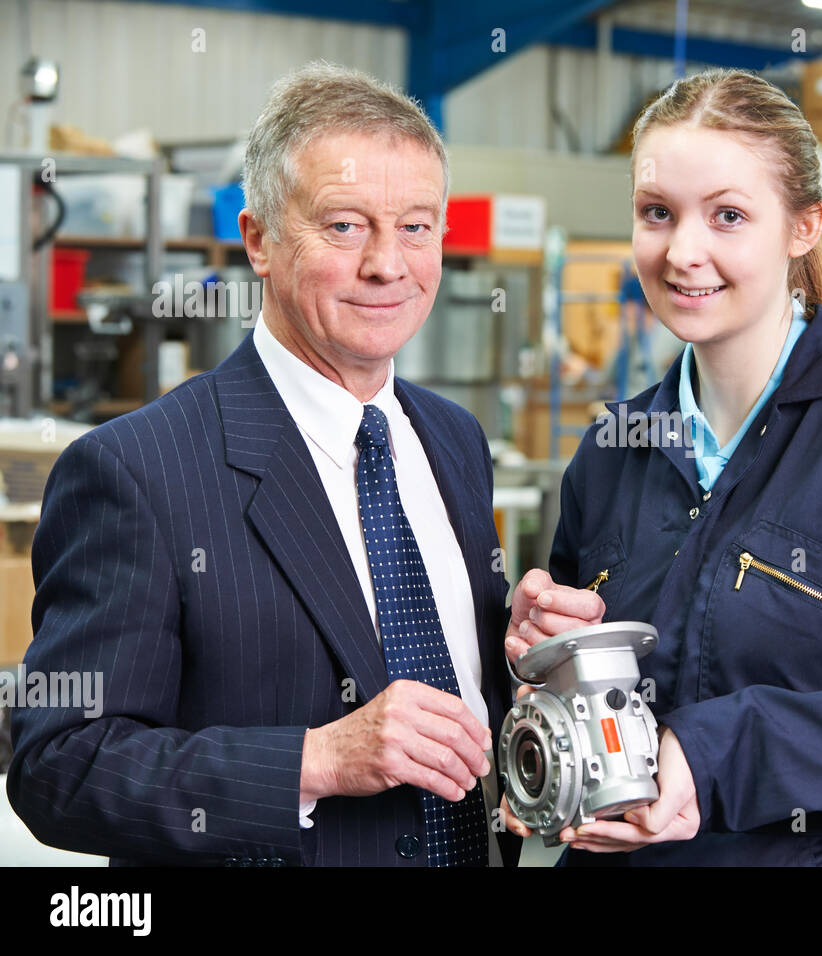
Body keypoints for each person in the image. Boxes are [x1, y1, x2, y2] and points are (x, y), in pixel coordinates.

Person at [504, 69, 822, 866]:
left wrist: (717, 755)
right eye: (658, 214)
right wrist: (541, 653)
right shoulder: (614, 446)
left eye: (728, 216)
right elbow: (591, 711)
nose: (683, 251)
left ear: (803, 227)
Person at [8, 62, 526, 867]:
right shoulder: (136, 472)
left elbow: (452, 685)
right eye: (346, 226)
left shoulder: (452, 439)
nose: (389, 265)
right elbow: (60, 767)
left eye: (417, 226)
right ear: (259, 240)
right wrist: (315, 761)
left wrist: (527, 656)